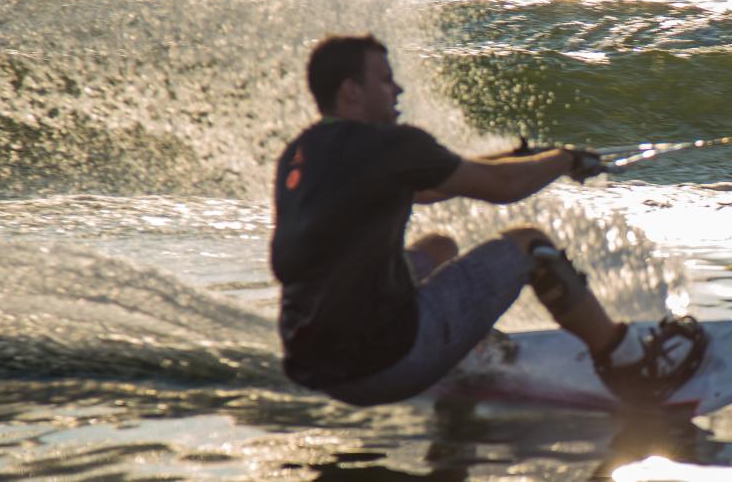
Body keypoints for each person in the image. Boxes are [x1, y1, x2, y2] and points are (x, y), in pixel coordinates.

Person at [270, 34, 706, 407]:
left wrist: (518, 158)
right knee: (527, 244)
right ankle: (626, 362)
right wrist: (564, 159)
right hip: (387, 362)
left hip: (320, 370)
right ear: (352, 92)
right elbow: (502, 187)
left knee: (439, 247)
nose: (398, 89)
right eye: (385, 80)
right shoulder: (389, 144)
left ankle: (463, 355)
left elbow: (429, 187)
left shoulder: (300, 154)